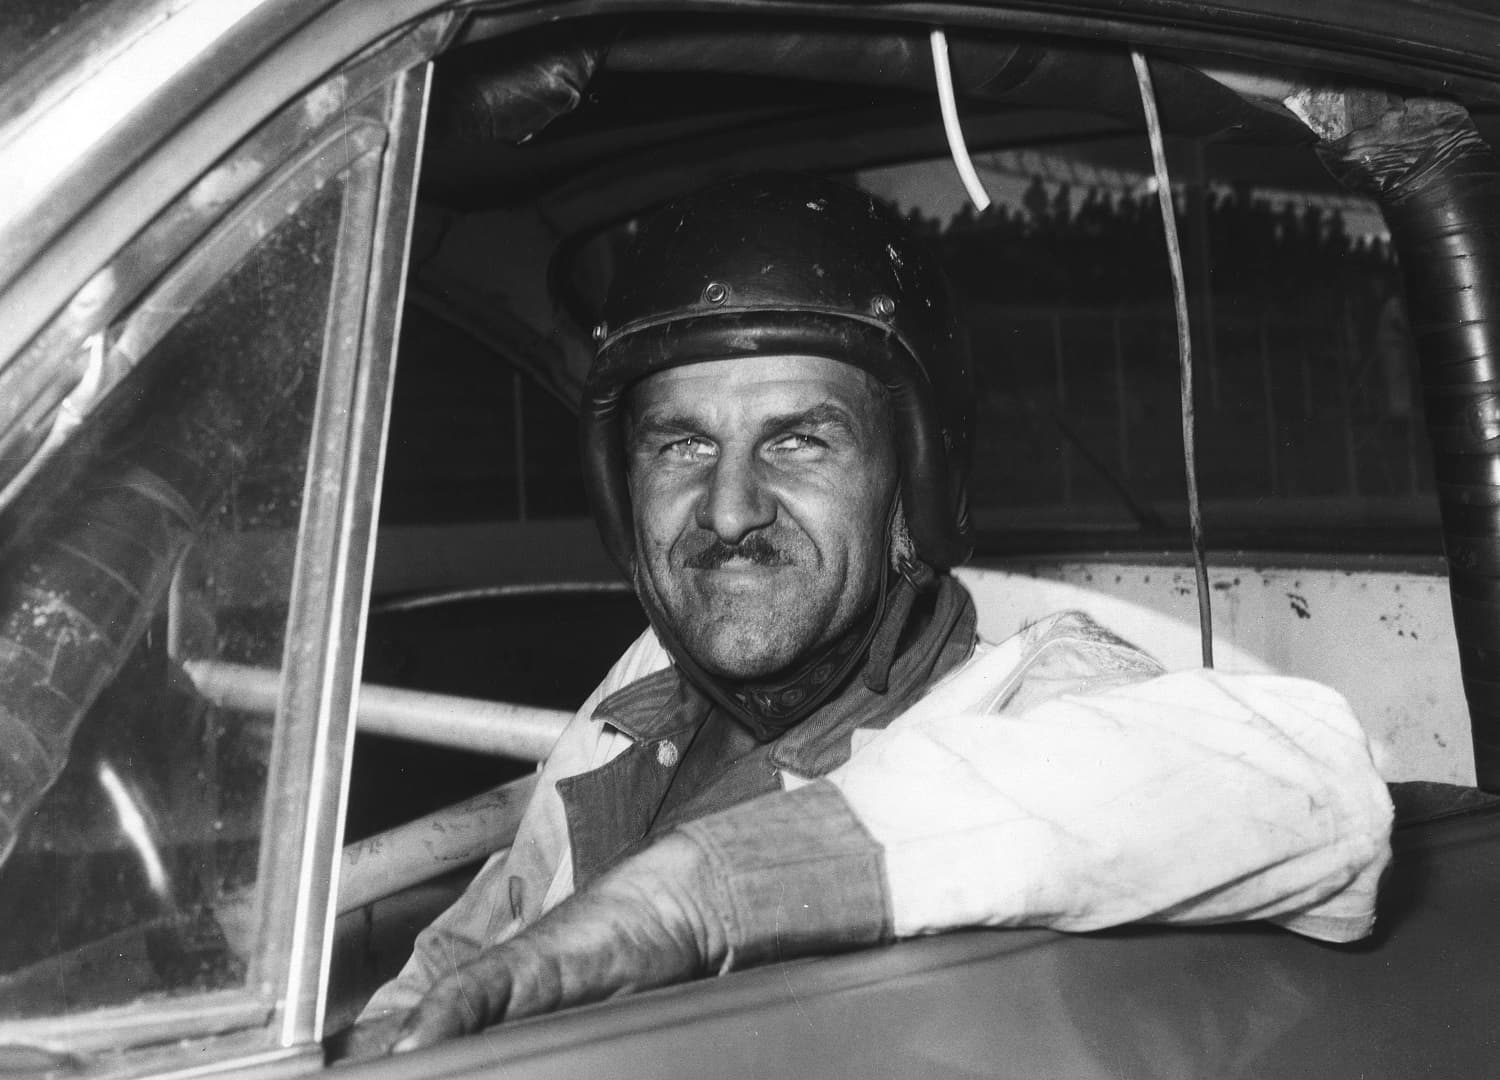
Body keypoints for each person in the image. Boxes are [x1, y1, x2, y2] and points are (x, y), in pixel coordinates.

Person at [349, 173, 1392, 1054]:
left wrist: (694, 897)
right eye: (681, 445)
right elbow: (481, 942)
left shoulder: (1027, 697)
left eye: (799, 440)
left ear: (915, 483)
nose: (727, 510)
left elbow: (1320, 792)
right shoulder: (645, 686)